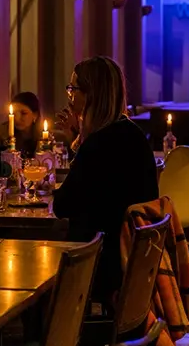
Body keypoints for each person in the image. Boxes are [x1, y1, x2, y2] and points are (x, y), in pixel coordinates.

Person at [52, 56, 159, 308]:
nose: (69, 96)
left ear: (91, 94)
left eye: (73, 88)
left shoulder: (100, 143)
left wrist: (81, 145)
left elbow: (62, 206)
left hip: (103, 263)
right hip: (135, 258)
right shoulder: (133, 134)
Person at [0, 92, 42, 158]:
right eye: (14, 114)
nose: (17, 118)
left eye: (23, 113)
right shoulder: (3, 134)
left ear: (35, 115)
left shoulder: (44, 137)